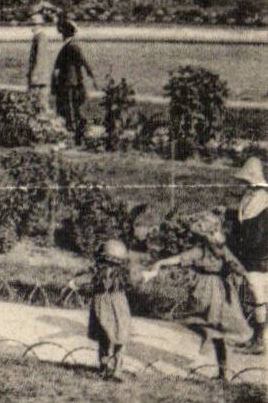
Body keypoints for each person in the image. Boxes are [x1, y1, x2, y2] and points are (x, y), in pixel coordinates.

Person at [142, 212, 250, 381]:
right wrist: (241, 275)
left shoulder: (201, 249)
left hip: (206, 289)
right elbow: (236, 265)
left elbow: (181, 258)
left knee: (203, 321)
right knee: (218, 329)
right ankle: (223, 372)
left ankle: (212, 359)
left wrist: (160, 262)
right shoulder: (221, 248)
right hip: (221, 290)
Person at [68, 237, 135, 380]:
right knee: (120, 339)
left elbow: (77, 282)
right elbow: (138, 278)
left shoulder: (96, 274)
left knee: (105, 339)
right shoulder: (123, 276)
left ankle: (104, 368)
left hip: (102, 307)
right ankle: (116, 370)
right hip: (120, 307)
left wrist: (75, 284)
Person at [229, 157, 268, 355]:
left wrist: (239, 248)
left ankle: (259, 341)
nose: (243, 183)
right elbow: (243, 219)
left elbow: (257, 233)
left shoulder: (263, 199)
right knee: (255, 294)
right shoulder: (250, 196)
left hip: (259, 256)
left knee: (258, 294)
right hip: (252, 254)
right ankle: (256, 337)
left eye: (245, 180)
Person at [49, 18, 96, 143]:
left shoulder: (72, 46)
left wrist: (91, 75)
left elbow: (84, 62)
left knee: (70, 106)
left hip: (69, 81)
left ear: (66, 33)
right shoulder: (70, 45)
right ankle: (74, 128)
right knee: (70, 106)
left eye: (62, 33)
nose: (61, 36)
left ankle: (73, 128)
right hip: (69, 81)